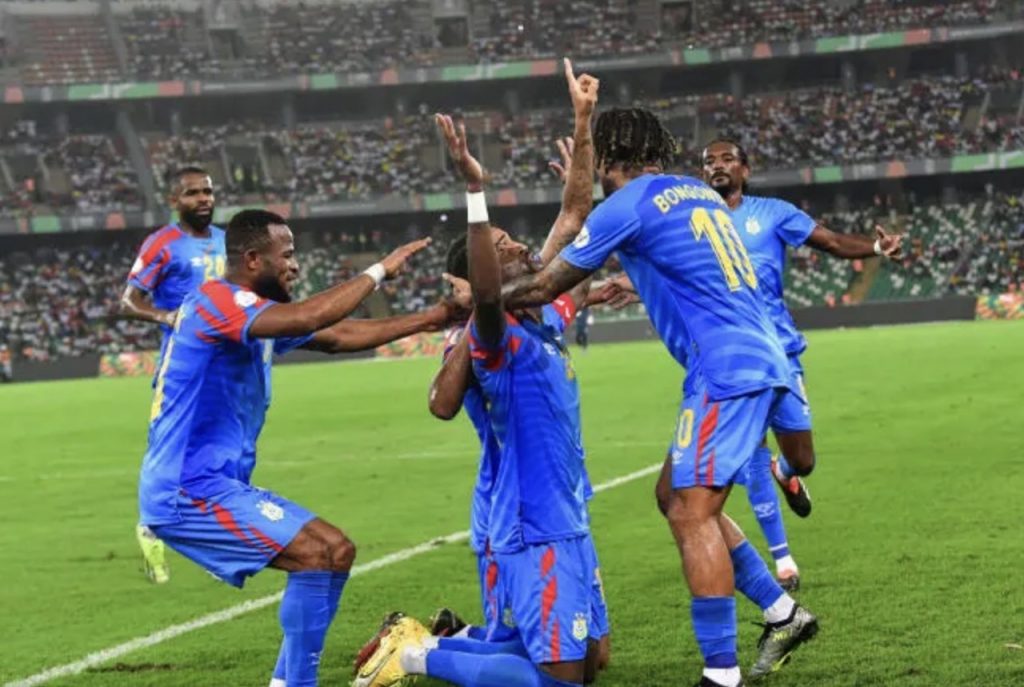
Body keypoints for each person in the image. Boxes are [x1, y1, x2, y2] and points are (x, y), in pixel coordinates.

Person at [495, 107, 819, 685]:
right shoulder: (696, 192)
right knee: (672, 495)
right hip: (762, 353)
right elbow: (690, 269)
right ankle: (782, 613)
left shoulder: (627, 204)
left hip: (724, 368)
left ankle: (721, 674)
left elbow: (545, 284)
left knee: (693, 513)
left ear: (607, 158)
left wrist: (473, 305)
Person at [356, 64, 602, 687]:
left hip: (568, 514)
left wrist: (583, 121)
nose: (519, 246)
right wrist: (475, 189)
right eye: (502, 244)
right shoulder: (496, 336)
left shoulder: (545, 314)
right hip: (530, 521)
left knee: (592, 663)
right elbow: (485, 306)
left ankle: (441, 641)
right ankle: (412, 656)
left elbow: (576, 216)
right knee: (559, 681)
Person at [138, 208, 452, 687]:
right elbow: (311, 314)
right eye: (285, 255)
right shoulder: (216, 302)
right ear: (252, 259)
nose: (295, 265)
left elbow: (337, 335)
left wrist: (432, 318)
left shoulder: (251, 313)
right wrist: (379, 271)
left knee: (335, 550)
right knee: (314, 554)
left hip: (215, 484)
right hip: (186, 490)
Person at [699, 138, 903, 589]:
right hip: (730, 356)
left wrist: (876, 246)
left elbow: (829, 241)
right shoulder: (690, 223)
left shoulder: (772, 213)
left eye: (727, 159)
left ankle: (786, 473)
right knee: (752, 451)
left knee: (803, 459)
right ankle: (783, 560)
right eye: (709, 162)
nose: (717, 166)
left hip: (780, 350)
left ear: (745, 170)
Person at [119, 165, 226, 585]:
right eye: (193, 193)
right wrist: (167, 316)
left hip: (228, 367)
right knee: (170, 448)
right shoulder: (162, 243)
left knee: (219, 455)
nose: (203, 199)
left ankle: (217, 542)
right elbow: (129, 301)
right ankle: (151, 529)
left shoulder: (227, 241)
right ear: (174, 200)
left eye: (207, 192)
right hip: (183, 364)